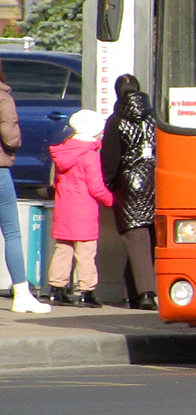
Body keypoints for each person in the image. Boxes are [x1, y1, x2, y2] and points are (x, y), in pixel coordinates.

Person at [47, 110, 115, 308]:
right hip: (84, 210)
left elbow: (56, 182)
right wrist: (111, 200)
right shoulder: (89, 155)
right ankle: (86, 291)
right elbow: (96, 187)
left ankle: (56, 289)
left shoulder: (63, 151)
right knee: (85, 253)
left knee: (63, 249)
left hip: (64, 207)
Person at [102, 75, 158, 310]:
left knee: (136, 238)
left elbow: (110, 159)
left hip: (129, 185)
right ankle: (131, 292)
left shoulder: (115, 120)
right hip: (155, 181)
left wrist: (110, 183)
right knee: (148, 238)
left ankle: (146, 293)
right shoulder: (155, 118)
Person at [0, 56, 50, 313]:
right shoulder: (2, 96)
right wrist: (14, 144)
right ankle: (21, 294)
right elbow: (10, 135)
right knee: (12, 233)